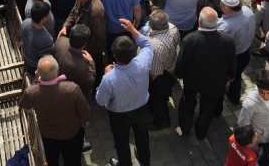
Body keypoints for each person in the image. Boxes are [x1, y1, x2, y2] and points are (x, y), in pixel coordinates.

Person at [96, 19, 153, 166]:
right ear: (134, 52)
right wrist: (132, 29)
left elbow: (100, 101)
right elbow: (147, 44)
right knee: (143, 138)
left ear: (114, 55)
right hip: (142, 109)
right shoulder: (143, 62)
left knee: (121, 142)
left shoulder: (109, 78)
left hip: (119, 116)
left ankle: (125, 163)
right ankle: (145, 161)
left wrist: (105, 74)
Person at [176, 7, 236, 139]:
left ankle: (185, 128)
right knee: (208, 108)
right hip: (215, 82)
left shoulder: (190, 40)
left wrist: (179, 74)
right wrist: (231, 76)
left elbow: (181, 63)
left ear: (199, 21)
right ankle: (201, 132)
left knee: (188, 103)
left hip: (192, 81)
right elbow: (231, 63)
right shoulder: (228, 41)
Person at [20, 55, 90, 166]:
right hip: (72, 134)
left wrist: (35, 81)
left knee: (52, 161)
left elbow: (24, 106)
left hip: (47, 136)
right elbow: (84, 112)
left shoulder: (31, 92)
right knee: (73, 161)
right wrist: (84, 123)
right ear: (57, 71)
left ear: (38, 73)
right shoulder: (72, 89)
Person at [237, 69, 269, 166]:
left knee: (268, 157)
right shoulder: (249, 103)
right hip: (255, 140)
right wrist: (252, 138)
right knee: (253, 159)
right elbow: (243, 124)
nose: (265, 96)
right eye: (261, 92)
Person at [60, 0, 106, 71]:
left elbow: (99, 37)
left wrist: (83, 49)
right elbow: (73, 13)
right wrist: (65, 26)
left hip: (91, 52)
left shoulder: (96, 10)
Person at [218, 0, 256, 104]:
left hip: (232, 58)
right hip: (245, 53)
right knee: (237, 76)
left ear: (227, 8)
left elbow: (220, 46)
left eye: (221, 5)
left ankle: (221, 96)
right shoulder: (248, 11)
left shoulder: (225, 26)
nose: (220, 6)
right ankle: (234, 98)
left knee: (223, 78)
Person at [145, 10, 180, 130]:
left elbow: (155, 73)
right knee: (164, 93)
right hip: (171, 67)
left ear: (151, 25)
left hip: (160, 76)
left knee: (157, 100)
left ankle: (161, 122)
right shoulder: (173, 28)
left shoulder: (155, 46)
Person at [54, 24, 96, 100]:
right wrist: (91, 62)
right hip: (73, 96)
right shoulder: (85, 67)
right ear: (85, 44)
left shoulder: (60, 41)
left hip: (57, 86)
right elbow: (90, 82)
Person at [21, 0, 55, 73]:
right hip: (34, 66)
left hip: (26, 57)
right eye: (47, 14)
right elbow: (45, 60)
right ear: (43, 19)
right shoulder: (46, 39)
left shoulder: (25, 23)